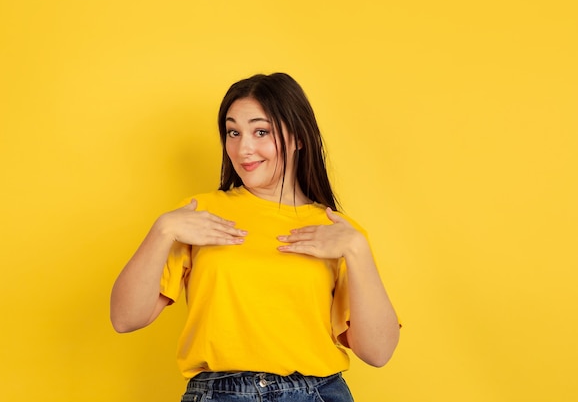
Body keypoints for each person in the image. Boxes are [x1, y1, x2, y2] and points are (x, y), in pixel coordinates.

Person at [110, 72, 400, 401]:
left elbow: (378, 352)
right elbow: (124, 318)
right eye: (233, 132)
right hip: (220, 393)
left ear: (298, 138)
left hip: (316, 393)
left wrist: (357, 250)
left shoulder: (337, 231)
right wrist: (162, 231)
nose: (243, 148)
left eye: (260, 131)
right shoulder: (197, 214)